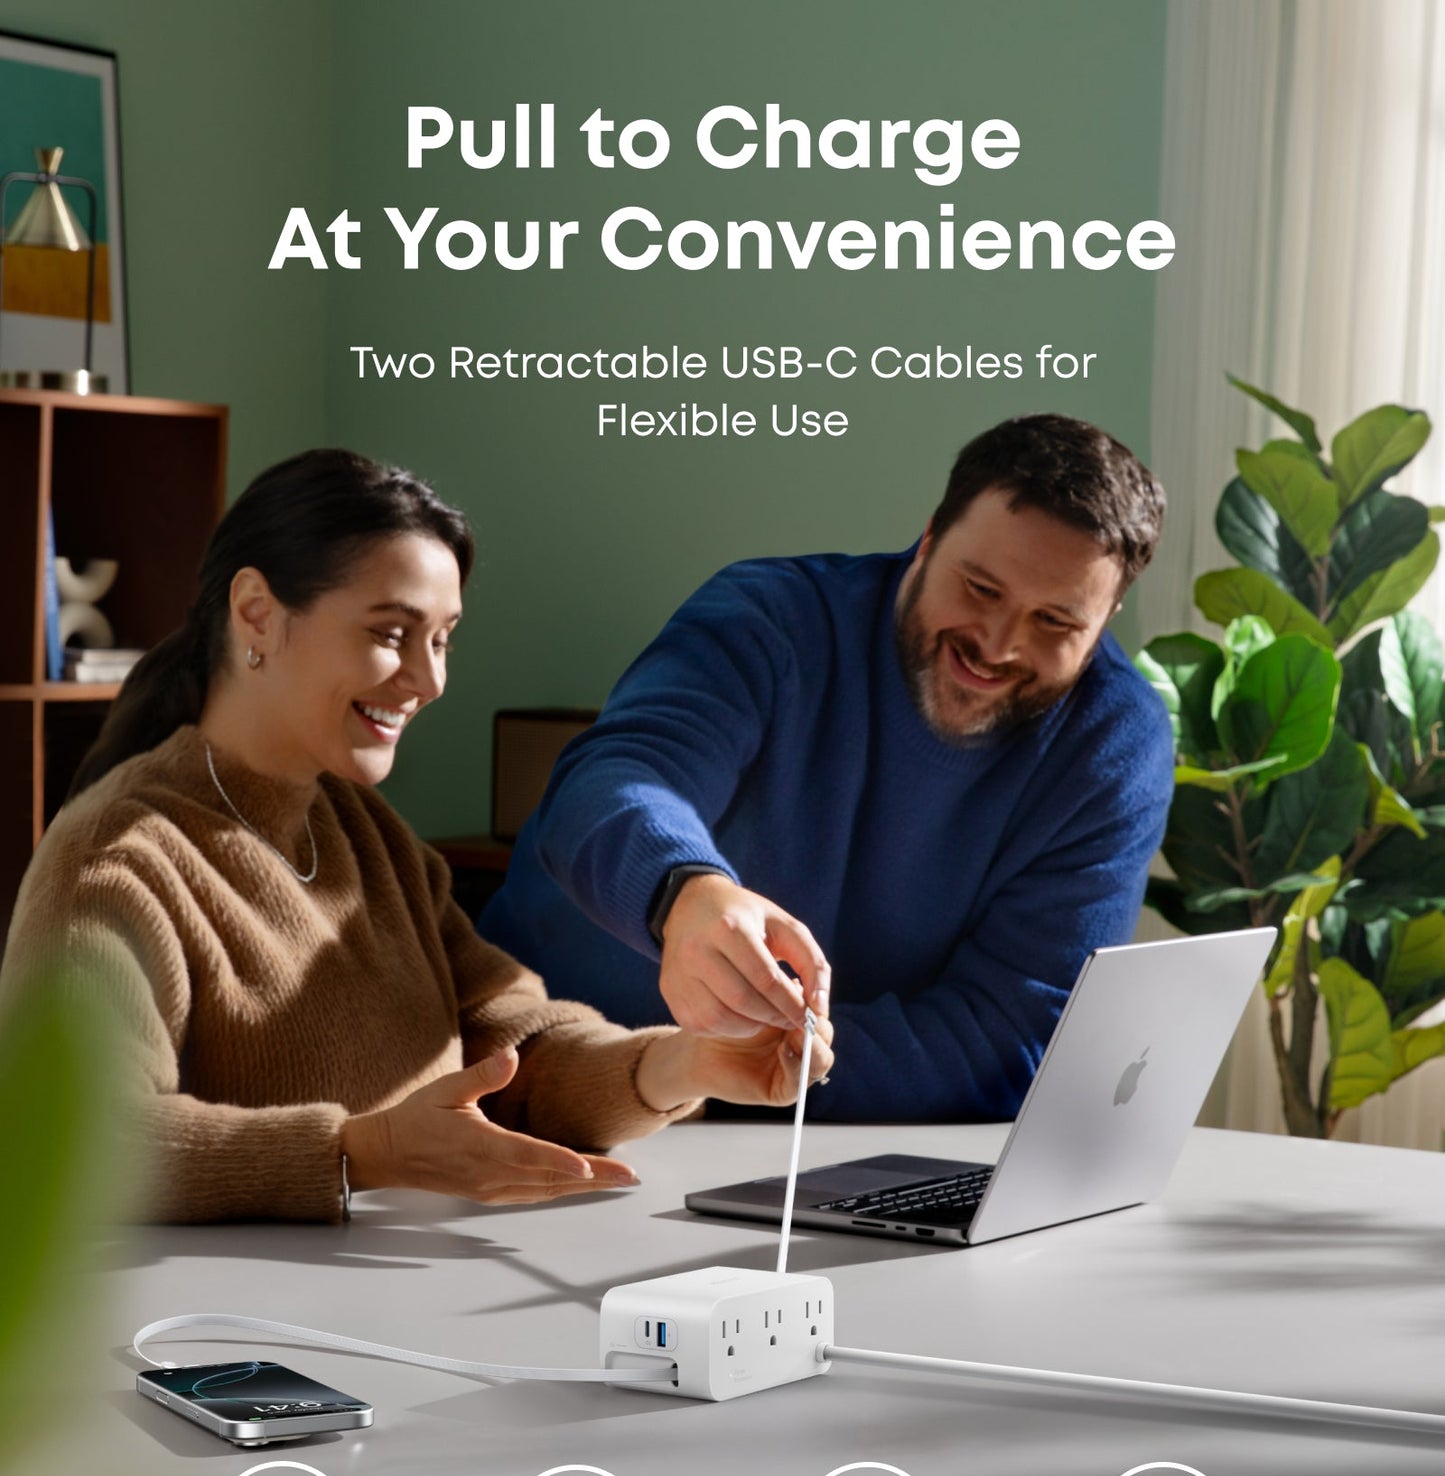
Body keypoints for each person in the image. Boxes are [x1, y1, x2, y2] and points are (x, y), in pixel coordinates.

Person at [0, 449, 831, 1224]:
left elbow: (513, 1046)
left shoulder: (368, 834)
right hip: (231, 1326)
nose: (429, 680)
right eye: (390, 633)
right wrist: (361, 1152)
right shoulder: (115, 860)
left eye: (441, 640)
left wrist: (683, 1063)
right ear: (256, 614)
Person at [483, 413, 1174, 1123]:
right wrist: (681, 893)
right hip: (528, 1079)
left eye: (1055, 622)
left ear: (1106, 616)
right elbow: (612, 780)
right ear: (929, 539)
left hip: (800, 1136)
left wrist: (743, 1068)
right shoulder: (769, 618)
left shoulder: (1115, 744)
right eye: (979, 588)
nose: (998, 645)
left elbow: (1011, 1036)